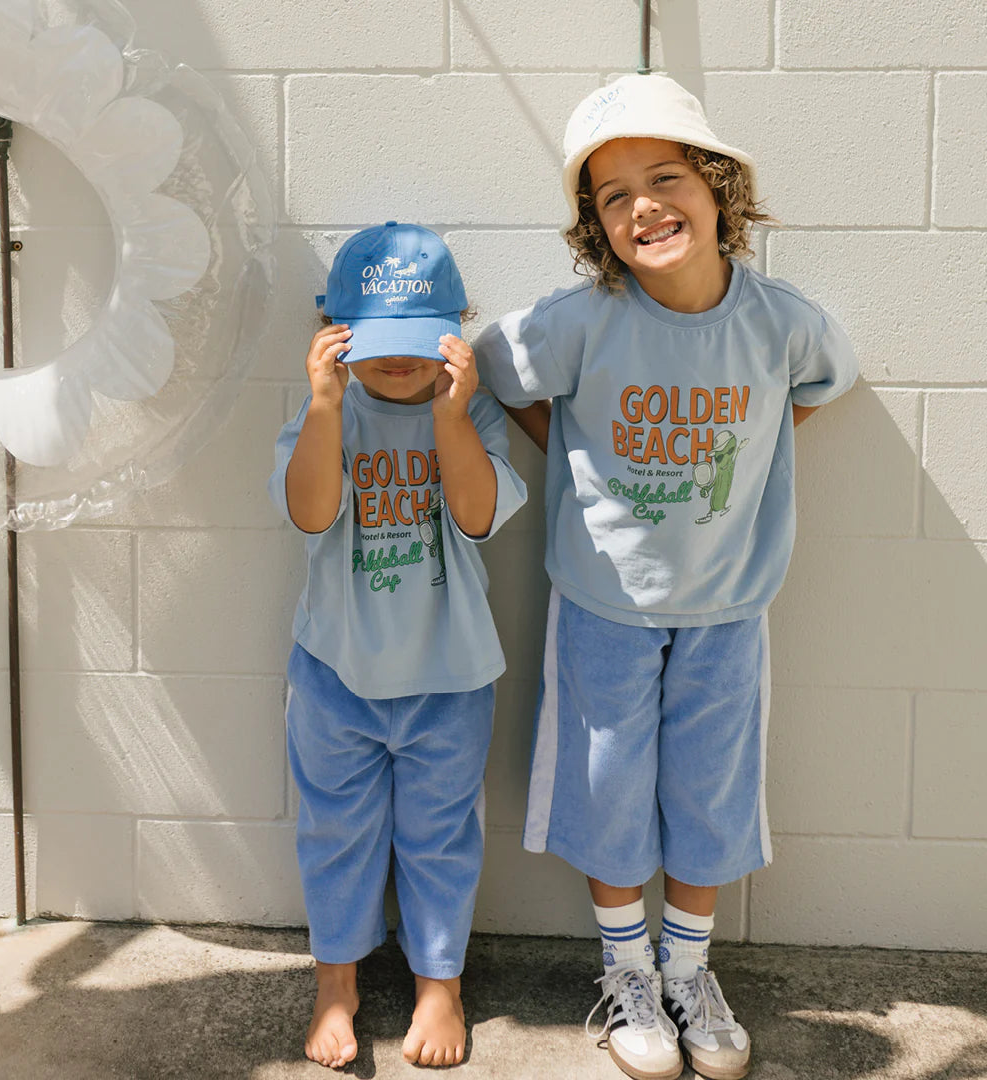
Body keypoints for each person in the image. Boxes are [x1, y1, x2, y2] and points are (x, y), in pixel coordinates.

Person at [474, 75, 858, 1080]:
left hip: (730, 609)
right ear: (596, 227)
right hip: (604, 604)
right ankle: (627, 974)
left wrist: (763, 447)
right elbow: (499, 369)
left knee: (708, 794)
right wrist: (571, 456)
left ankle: (689, 972)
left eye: (665, 177)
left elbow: (828, 380)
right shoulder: (584, 321)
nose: (642, 204)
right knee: (608, 791)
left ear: (717, 187)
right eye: (612, 195)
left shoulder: (780, 323)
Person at [268, 222, 526, 1070]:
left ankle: (438, 985)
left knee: (439, 836)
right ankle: (336, 983)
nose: (398, 364)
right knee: (334, 832)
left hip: (448, 679)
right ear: (334, 340)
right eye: (376, 345)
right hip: (336, 674)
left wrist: (454, 415)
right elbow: (309, 511)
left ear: (454, 338)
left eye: (418, 346)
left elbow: (477, 515)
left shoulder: (471, 411)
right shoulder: (325, 411)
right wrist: (324, 406)